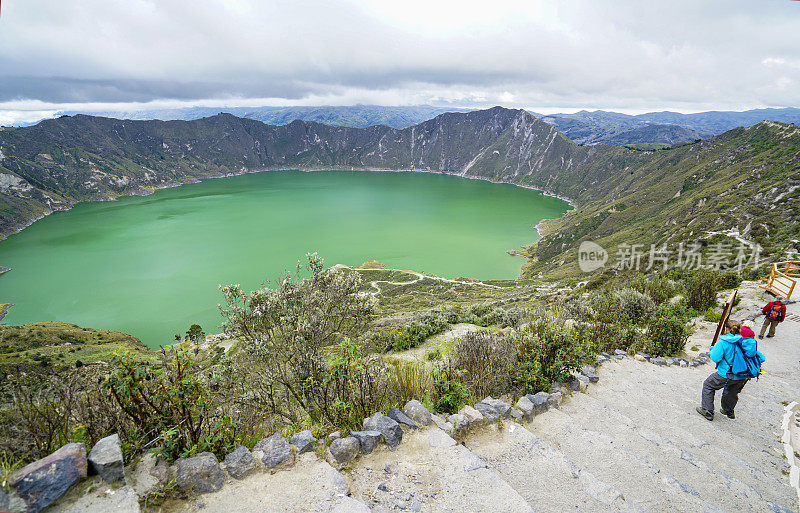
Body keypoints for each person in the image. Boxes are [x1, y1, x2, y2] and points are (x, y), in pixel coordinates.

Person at [696, 326, 765, 421]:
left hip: (726, 374)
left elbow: (716, 358)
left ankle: (707, 410)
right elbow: (762, 358)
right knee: (732, 390)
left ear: (727, 329)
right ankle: (728, 411)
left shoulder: (724, 342)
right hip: (743, 375)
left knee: (708, 385)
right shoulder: (746, 344)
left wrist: (712, 349)